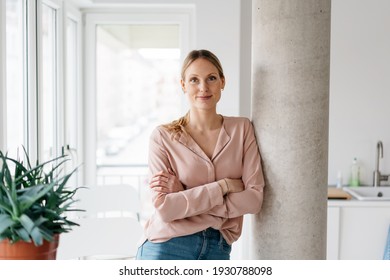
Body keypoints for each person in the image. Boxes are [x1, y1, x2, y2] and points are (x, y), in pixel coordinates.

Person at [136, 49, 265, 260]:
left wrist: (185, 196)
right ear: (183, 85)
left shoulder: (242, 129)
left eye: (211, 78)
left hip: (217, 248)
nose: (203, 88)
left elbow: (253, 200)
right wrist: (223, 187)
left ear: (222, 82)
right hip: (167, 247)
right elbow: (166, 210)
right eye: (194, 80)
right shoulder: (163, 137)